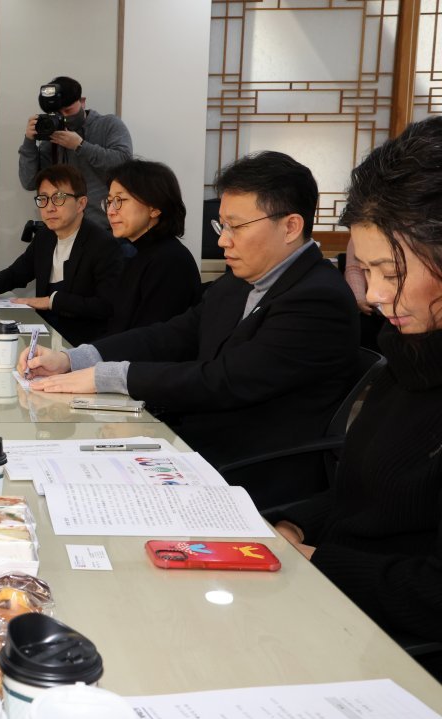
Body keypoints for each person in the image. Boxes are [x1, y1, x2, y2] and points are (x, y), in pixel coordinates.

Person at [19, 151, 359, 509]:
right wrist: (72, 359)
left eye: (236, 227)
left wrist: (110, 376)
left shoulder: (318, 299)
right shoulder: (241, 281)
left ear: (290, 226)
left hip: (248, 469)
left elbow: (224, 381)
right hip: (195, 443)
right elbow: (174, 334)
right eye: (221, 226)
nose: (223, 241)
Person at [268, 116, 442, 644]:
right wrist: (293, 525)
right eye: (364, 272)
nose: (375, 296)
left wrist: (316, 561)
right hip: (336, 603)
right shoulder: (411, 354)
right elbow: (365, 498)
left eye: (392, 272)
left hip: (393, 649)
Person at [0, 164, 122, 345]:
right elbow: (17, 273)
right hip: (43, 334)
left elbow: (106, 306)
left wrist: (52, 301)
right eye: (43, 199)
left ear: (81, 204)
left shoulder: (103, 244)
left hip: (82, 342)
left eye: (59, 198)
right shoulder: (45, 237)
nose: (49, 208)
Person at [17, 76, 133, 241]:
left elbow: (124, 163)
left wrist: (80, 146)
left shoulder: (108, 124)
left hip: (106, 229)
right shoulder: (51, 138)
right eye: (57, 113)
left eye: (68, 110)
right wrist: (29, 141)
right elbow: (29, 182)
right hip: (64, 231)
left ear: (82, 101)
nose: (63, 117)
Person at [100, 160, 202, 334]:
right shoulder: (139, 252)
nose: (110, 211)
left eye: (120, 200)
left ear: (155, 208)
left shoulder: (170, 261)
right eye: (109, 201)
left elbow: (152, 340)